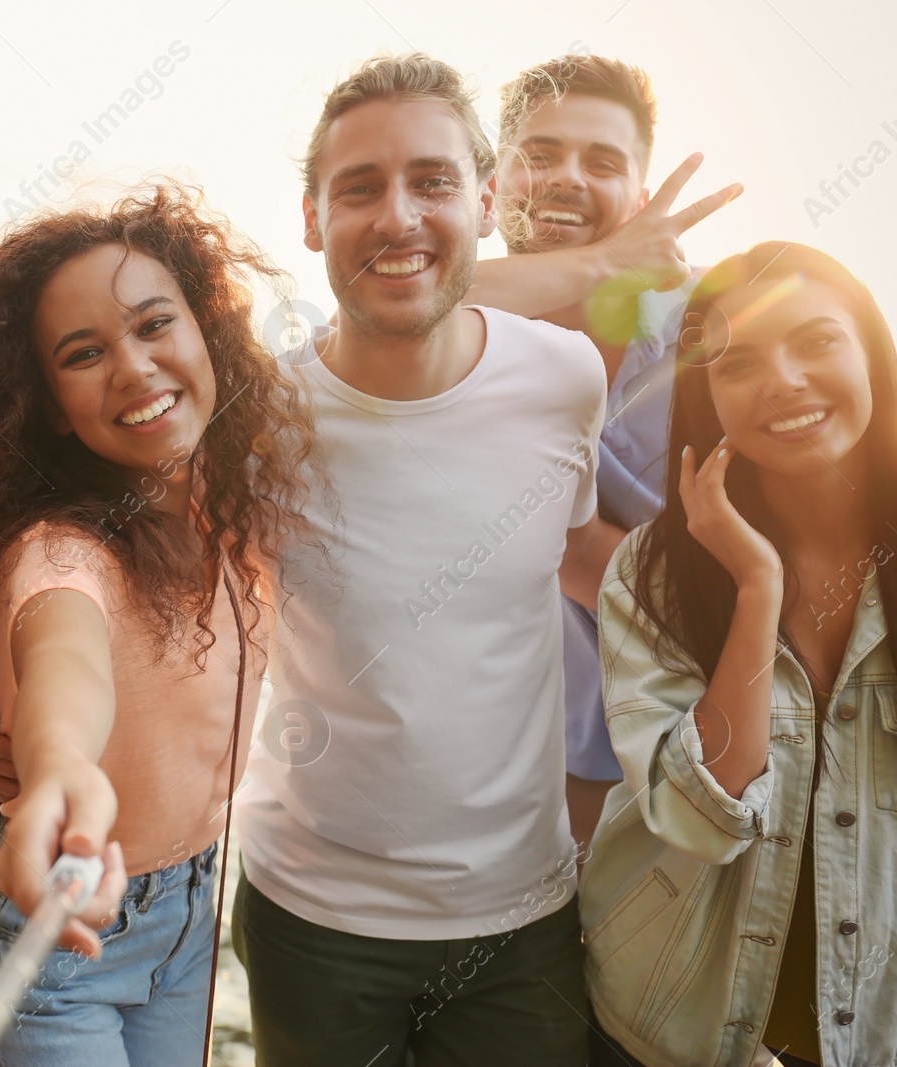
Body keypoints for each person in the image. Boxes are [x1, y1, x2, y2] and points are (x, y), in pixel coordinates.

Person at [229, 53, 611, 1065]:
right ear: (311, 217)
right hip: (309, 912)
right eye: (358, 187)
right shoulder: (259, 416)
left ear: (485, 203)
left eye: (432, 181)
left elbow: (566, 554)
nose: (397, 217)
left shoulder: (564, 376)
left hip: (521, 916)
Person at [0, 184, 313, 1065]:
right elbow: (64, 659)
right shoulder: (60, 550)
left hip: (192, 913)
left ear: (209, 329)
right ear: (46, 402)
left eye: (156, 325)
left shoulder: (244, 509)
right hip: (58, 931)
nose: (135, 367)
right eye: (84, 353)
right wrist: (59, 772)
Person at [581, 242, 897, 1067]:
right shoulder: (655, 569)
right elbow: (697, 816)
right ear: (706, 393)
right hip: (670, 1027)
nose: (783, 380)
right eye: (741, 361)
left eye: (818, 342)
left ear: (872, 351)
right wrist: (757, 587)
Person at [473, 54, 743, 849]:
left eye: (602, 162)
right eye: (539, 155)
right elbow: (387, 300)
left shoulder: (714, 321)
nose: (566, 178)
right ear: (490, 184)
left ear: (643, 191)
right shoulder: (459, 337)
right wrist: (598, 264)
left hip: (694, 769)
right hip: (494, 787)